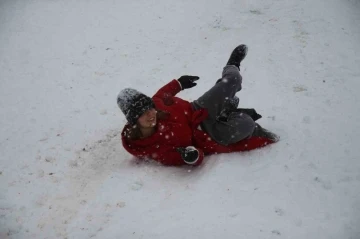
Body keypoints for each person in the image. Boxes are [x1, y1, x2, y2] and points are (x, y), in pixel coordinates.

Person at [117, 44, 279, 166]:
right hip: (204, 134)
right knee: (246, 124)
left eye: (149, 108)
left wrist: (179, 83)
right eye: (143, 114)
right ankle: (226, 111)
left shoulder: (157, 104)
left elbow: (163, 93)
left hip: (198, 109)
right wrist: (191, 156)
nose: (150, 114)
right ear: (134, 121)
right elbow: (188, 157)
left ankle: (232, 66)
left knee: (232, 80)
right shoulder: (153, 148)